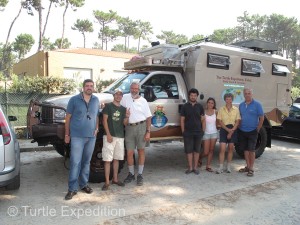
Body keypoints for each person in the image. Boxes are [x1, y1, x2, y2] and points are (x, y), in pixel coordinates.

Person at [64, 79, 100, 200]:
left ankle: (84, 184)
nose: (89, 87)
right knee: (75, 162)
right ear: (83, 87)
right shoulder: (74, 100)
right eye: (87, 86)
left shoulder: (96, 100)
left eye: (91, 86)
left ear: (93, 88)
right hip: (77, 136)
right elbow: (67, 118)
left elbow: (96, 116)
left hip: (91, 137)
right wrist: (67, 135)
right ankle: (72, 189)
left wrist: (96, 128)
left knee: (86, 162)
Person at [121, 82, 152, 186]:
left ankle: (140, 174)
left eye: (136, 88)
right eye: (132, 88)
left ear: (139, 89)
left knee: (141, 151)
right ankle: (131, 173)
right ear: (130, 88)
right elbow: (116, 103)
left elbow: (148, 117)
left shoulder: (143, 101)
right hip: (129, 127)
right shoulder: (125, 97)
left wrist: (148, 132)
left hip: (141, 127)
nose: (134, 90)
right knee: (129, 152)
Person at [101, 88, 130, 191]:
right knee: (108, 159)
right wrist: (108, 134)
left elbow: (124, 124)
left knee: (116, 159)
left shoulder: (123, 109)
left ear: (122, 96)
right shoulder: (108, 106)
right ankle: (107, 182)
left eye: (120, 94)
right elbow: (104, 120)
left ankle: (115, 179)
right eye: (116, 94)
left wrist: (127, 117)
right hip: (109, 136)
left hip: (120, 136)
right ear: (114, 95)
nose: (118, 96)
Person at [238, 88, 264, 177]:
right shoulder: (241, 105)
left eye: (249, 93)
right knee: (245, 150)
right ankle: (247, 166)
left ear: (252, 94)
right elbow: (240, 117)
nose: (247, 95)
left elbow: (262, 118)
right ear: (243, 95)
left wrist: (258, 128)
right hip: (242, 130)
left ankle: (252, 168)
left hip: (253, 131)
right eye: (245, 93)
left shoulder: (257, 104)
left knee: (251, 150)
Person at [180, 88, 205, 175]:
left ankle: (195, 168)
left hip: (198, 132)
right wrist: (183, 131)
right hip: (188, 132)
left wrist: (203, 131)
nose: (193, 97)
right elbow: (182, 120)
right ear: (189, 96)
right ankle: (190, 168)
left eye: (195, 95)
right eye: (191, 95)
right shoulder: (185, 107)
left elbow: (203, 120)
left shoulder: (200, 107)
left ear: (197, 96)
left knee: (197, 150)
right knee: (189, 151)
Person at [216, 93, 240, 174]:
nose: (228, 101)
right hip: (224, 129)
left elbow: (237, 122)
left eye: (230, 99)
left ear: (232, 99)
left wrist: (231, 130)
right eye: (227, 99)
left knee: (230, 148)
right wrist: (227, 130)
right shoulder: (221, 109)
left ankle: (228, 167)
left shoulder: (236, 109)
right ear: (225, 100)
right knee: (222, 149)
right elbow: (220, 121)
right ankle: (220, 167)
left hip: (233, 129)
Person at [199, 97, 218, 172]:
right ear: (207, 103)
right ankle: (200, 158)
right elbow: (200, 122)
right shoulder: (203, 112)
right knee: (206, 151)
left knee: (211, 150)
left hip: (214, 133)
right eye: (209, 102)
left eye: (212, 103)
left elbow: (218, 122)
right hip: (206, 133)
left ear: (214, 104)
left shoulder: (216, 112)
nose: (210, 104)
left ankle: (208, 166)